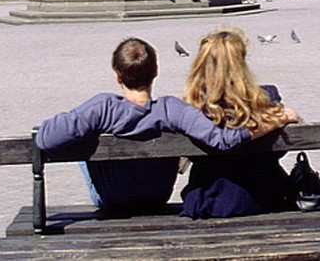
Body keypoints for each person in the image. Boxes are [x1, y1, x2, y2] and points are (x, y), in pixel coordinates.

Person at [36, 38, 297, 212]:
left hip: (111, 199)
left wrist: (83, 123)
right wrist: (277, 118)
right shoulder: (172, 109)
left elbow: (46, 139)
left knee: (85, 138)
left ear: (117, 76)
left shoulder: (102, 107)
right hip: (156, 195)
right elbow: (223, 139)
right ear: (156, 71)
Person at [181, 26, 299, 218]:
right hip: (266, 197)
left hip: (209, 200)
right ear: (242, 63)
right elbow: (279, 150)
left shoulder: (190, 107)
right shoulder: (267, 99)